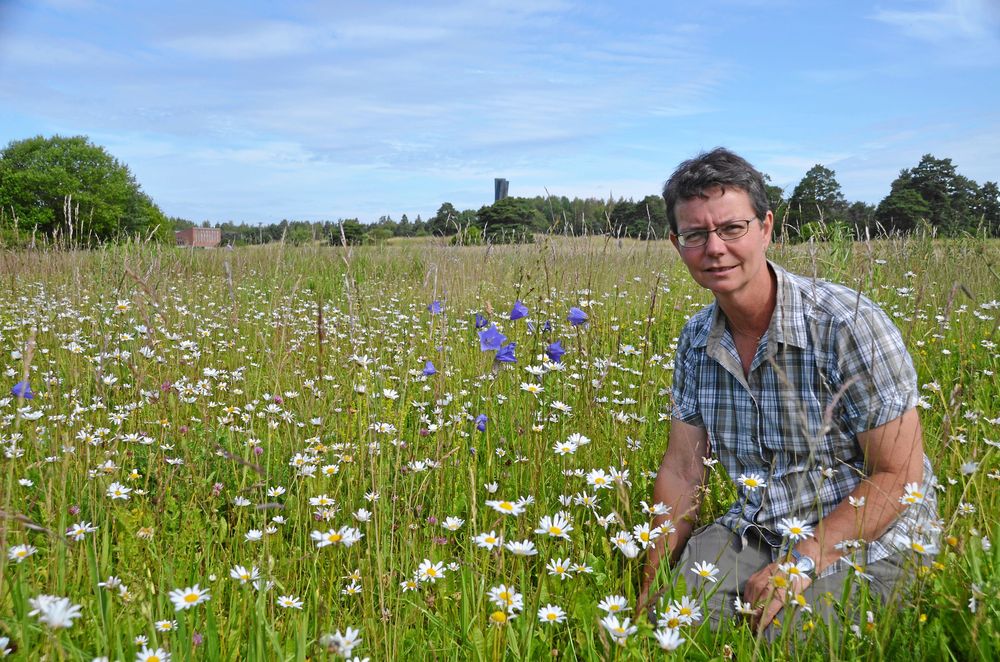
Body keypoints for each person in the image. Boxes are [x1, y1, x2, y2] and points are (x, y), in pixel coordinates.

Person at [639, 148, 938, 639]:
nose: (714, 248)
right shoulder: (696, 340)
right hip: (762, 526)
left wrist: (805, 559)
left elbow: (897, 474)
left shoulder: (847, 324)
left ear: (766, 227)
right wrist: (650, 591)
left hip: (873, 535)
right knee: (672, 621)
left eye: (732, 228)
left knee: (783, 636)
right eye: (695, 235)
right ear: (677, 244)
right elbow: (682, 469)